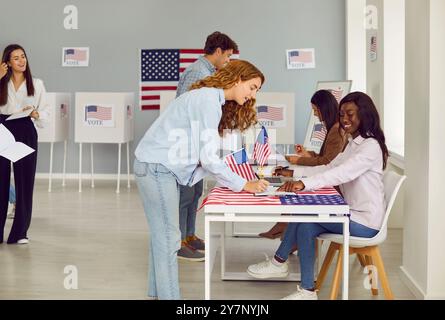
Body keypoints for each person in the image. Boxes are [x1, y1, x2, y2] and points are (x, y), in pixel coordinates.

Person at [134, 60, 269, 300]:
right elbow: (208, 159)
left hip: (155, 166)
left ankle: (156, 294)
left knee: (162, 236)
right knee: (168, 237)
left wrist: (232, 172)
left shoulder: (209, 98)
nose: (253, 94)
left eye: (257, 90)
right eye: (252, 86)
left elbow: (202, 156)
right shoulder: (208, 101)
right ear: (237, 78)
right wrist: (243, 183)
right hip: (157, 168)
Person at [247, 92, 388, 300]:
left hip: (365, 223)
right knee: (306, 223)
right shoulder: (353, 143)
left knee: (305, 213)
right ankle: (306, 290)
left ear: (365, 115)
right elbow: (329, 166)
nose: (344, 120)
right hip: (350, 213)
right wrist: (294, 174)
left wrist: (303, 183)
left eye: (350, 114)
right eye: (342, 115)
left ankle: (279, 262)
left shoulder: (370, 147)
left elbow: (340, 173)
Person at [175, 31, 238, 261]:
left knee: (196, 192)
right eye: (228, 56)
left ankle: (190, 235)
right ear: (218, 51)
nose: (228, 61)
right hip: (188, 143)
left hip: (198, 142)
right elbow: (186, 110)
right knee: (185, 194)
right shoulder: (197, 73)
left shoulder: (209, 73)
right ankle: (179, 241)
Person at [259, 90, 347, 239]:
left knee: (293, 187)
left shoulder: (336, 130)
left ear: (323, 108)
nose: (314, 114)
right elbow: (324, 157)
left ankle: (286, 228)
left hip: (332, 186)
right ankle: (285, 227)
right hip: (326, 177)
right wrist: (306, 154)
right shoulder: (332, 128)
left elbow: (327, 163)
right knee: (292, 183)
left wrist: (298, 160)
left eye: (315, 110)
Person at [0, 44, 49, 244]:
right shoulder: (2, 81)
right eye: (16, 58)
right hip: (2, 129)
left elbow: (45, 111)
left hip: (25, 129)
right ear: (8, 63)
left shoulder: (36, 83)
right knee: (1, 181)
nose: (21, 61)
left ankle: (20, 232)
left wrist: (37, 113)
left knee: (24, 181)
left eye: (23, 57)